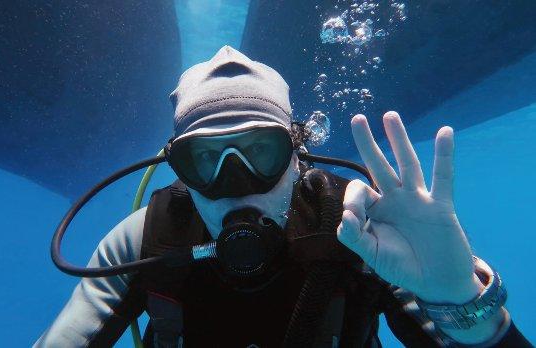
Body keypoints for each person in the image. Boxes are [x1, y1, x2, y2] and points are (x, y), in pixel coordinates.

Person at [36, 46, 530, 347]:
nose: (237, 182)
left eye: (260, 152)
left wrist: (460, 300)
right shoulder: (144, 241)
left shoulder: (361, 232)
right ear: (178, 170)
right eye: (207, 160)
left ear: (298, 156)